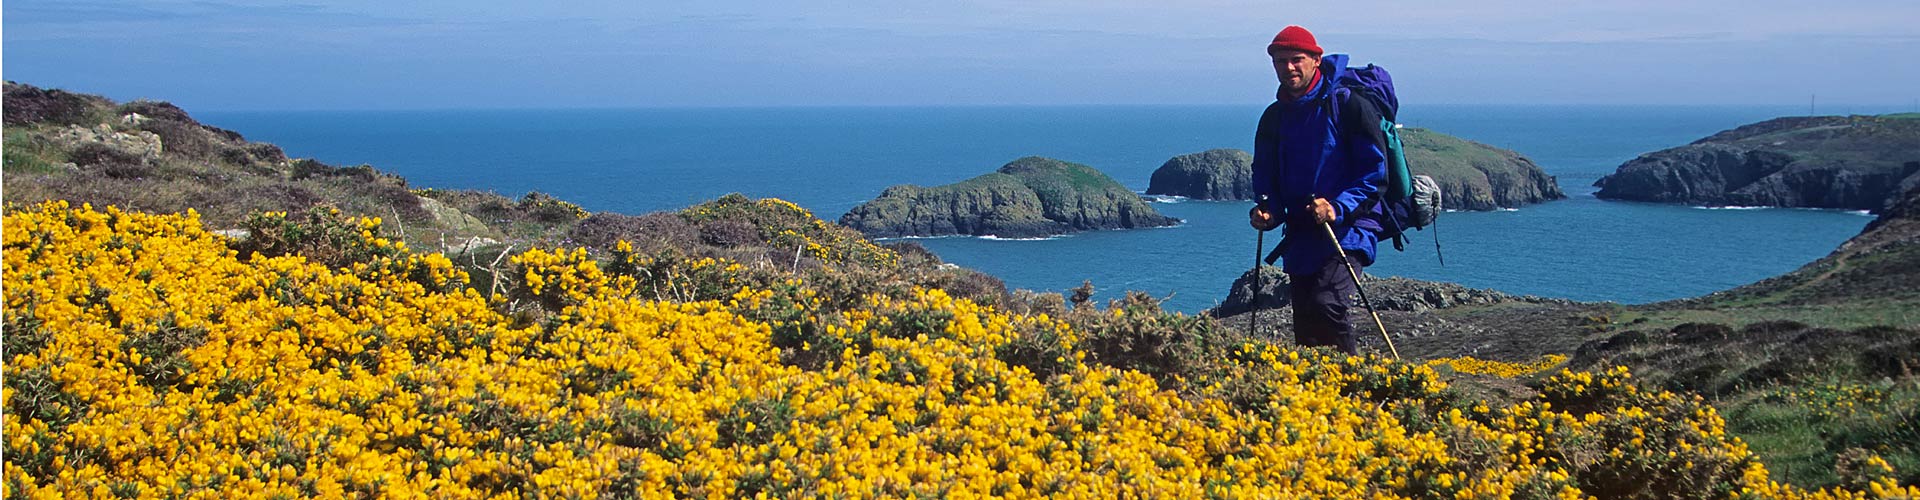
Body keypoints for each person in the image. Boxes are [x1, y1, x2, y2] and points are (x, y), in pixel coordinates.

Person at [1247, 25, 1388, 355]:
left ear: (1316, 59)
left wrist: (1337, 207)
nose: (1289, 68)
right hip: (1302, 234)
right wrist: (1268, 209)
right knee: (1307, 320)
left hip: (1349, 228)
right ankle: (1319, 396)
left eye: (1297, 59)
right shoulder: (1273, 117)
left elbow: (1375, 174)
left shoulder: (1348, 105)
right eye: (1281, 61)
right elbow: (1265, 176)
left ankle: (1353, 386)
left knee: (1329, 304)